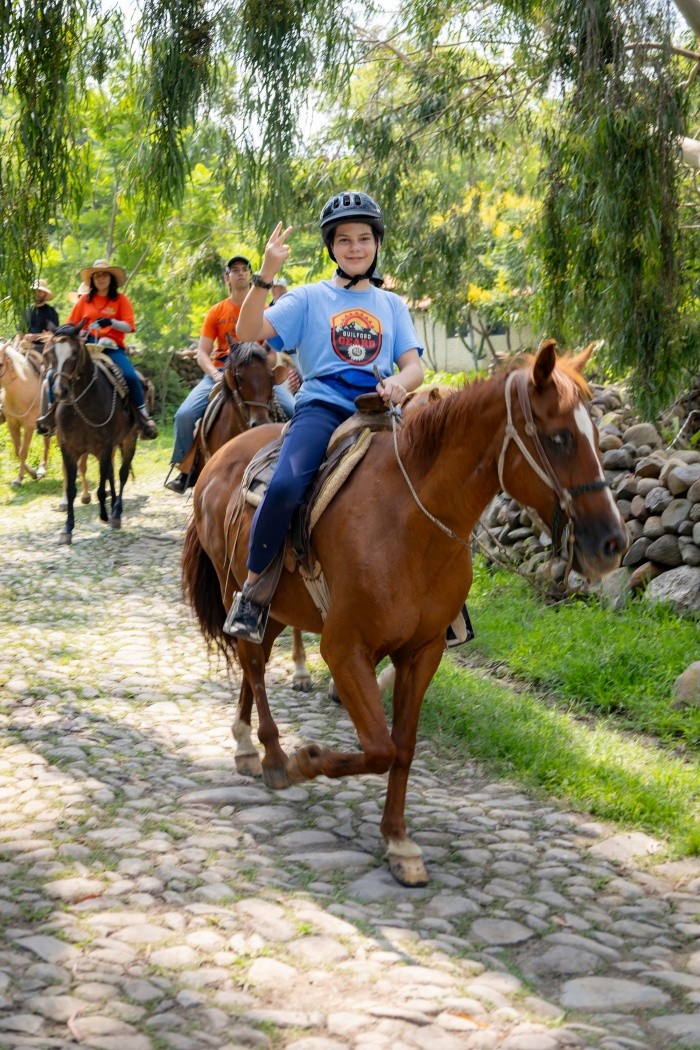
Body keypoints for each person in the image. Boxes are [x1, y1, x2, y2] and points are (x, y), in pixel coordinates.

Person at [226, 190, 424, 642]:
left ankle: (444, 603)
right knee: (285, 486)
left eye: (364, 238)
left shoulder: (393, 305)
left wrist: (400, 383)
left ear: (377, 244)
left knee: (432, 485)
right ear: (331, 247)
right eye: (344, 240)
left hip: (380, 411)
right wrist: (265, 274)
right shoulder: (309, 298)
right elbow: (248, 330)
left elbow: (414, 366)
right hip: (324, 407)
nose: (355, 247)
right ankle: (254, 592)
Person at [37, 259, 157, 439]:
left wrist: (111, 322)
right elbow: (71, 323)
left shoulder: (121, 300)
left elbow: (129, 326)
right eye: (97, 276)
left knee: (130, 376)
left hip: (111, 348)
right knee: (52, 375)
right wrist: (65, 331)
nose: (100, 279)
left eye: (104, 275)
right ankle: (51, 416)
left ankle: (143, 417)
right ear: (92, 280)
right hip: (85, 347)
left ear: (111, 278)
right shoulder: (84, 301)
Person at [165, 255, 254, 493]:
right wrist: (215, 375)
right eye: (235, 270)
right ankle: (185, 470)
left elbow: (272, 351)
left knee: (290, 408)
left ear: (251, 275)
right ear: (227, 278)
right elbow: (202, 354)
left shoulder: (262, 309)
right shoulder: (217, 311)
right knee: (184, 415)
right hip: (220, 371)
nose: (240, 273)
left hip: (254, 374)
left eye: (244, 269)